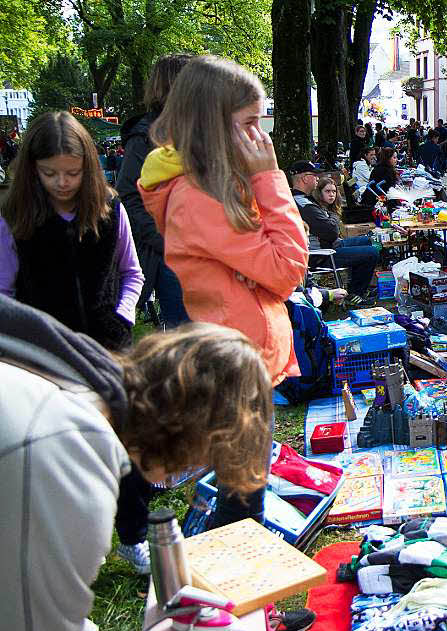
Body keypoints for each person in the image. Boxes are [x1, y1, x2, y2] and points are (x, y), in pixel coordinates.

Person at [0, 299, 277, 631]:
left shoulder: (84, 378)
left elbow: (25, 591)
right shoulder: (73, 460)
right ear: (196, 435)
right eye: (209, 457)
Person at [138, 55, 309, 529]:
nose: (261, 136)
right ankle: (229, 592)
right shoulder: (199, 197)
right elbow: (288, 267)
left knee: (243, 486)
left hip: (243, 353)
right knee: (241, 501)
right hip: (236, 361)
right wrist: (269, 178)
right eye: (250, 123)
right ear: (213, 126)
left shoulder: (212, 183)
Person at [0, 111, 143, 352]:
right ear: (32, 169)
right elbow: (4, 291)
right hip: (42, 352)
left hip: (107, 347)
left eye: (72, 173)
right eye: (50, 173)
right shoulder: (14, 217)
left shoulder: (111, 210)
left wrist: (123, 316)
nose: (62, 182)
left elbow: (132, 273)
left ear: (87, 169)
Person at [117, 53, 194, 329]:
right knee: (185, 335)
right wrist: (163, 241)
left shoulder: (200, 130)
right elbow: (127, 194)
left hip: (209, 250)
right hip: (172, 257)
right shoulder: (145, 136)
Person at [290, 161, 378, 302]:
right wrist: (331, 214)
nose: (318, 179)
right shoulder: (304, 204)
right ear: (305, 178)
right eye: (315, 175)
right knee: (371, 252)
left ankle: (356, 287)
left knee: (368, 240)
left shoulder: (304, 200)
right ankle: (355, 294)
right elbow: (331, 231)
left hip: (328, 246)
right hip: (321, 254)